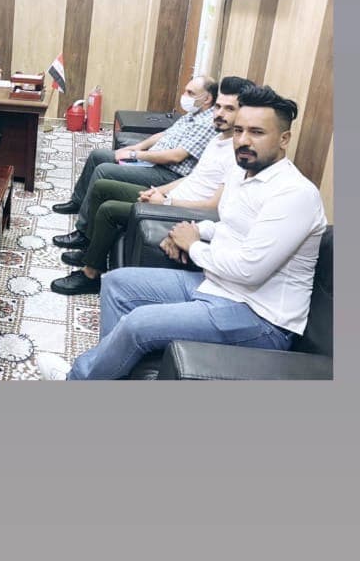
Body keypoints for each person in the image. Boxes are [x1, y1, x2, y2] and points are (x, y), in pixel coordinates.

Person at [38, 85, 327, 379]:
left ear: (284, 139)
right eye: (239, 130)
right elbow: (230, 226)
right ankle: (109, 374)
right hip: (216, 284)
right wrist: (191, 230)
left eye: (257, 132)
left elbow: (249, 270)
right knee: (115, 284)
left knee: (138, 323)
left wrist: (193, 246)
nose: (243, 140)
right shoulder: (242, 172)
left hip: (259, 316)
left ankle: (77, 379)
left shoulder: (294, 194)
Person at [50, 76, 254, 295]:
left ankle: (91, 275)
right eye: (218, 107)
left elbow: (215, 206)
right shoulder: (217, 140)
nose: (219, 113)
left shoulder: (237, 155)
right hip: (169, 195)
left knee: (109, 209)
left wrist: (166, 201)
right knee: (102, 187)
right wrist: (159, 191)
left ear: (243, 114)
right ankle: (92, 250)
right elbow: (192, 178)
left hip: (178, 207)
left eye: (229, 109)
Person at [52, 74, 219, 249]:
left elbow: (176, 156)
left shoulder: (207, 123)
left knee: (103, 171)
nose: (184, 96)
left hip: (167, 173)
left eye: (191, 93)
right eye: (185, 91)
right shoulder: (193, 114)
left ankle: (83, 233)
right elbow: (163, 135)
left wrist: (135, 155)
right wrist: (136, 147)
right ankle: (78, 202)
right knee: (98, 155)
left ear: (207, 98)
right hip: (152, 161)